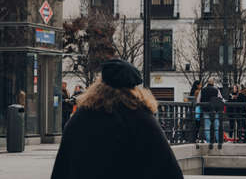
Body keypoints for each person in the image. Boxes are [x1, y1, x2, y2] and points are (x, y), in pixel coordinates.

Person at [51, 59, 183, 179]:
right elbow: (168, 168)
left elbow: (62, 165)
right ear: (134, 89)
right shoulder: (142, 118)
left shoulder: (82, 117)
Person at [198, 78, 223, 148]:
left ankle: (209, 142)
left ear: (208, 83)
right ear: (213, 83)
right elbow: (220, 99)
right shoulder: (216, 90)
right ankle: (218, 141)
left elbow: (198, 100)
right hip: (215, 111)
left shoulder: (202, 90)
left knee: (207, 127)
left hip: (206, 110)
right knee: (216, 126)